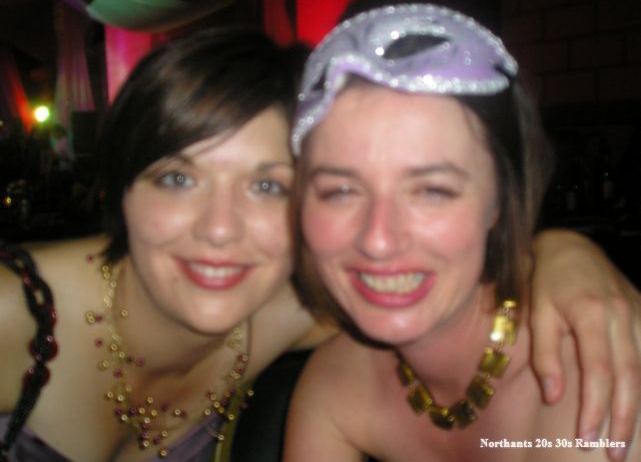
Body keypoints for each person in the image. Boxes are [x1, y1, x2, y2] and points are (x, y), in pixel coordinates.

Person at [0, 26, 638, 462]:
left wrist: (560, 252)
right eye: (176, 178)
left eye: (267, 186)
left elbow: (432, 281)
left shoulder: (303, 313)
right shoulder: (11, 314)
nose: (219, 228)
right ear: (119, 190)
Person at [285, 3, 641, 462]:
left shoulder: (597, 382)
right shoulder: (336, 382)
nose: (378, 240)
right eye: (340, 191)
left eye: (433, 191)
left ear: (500, 202)